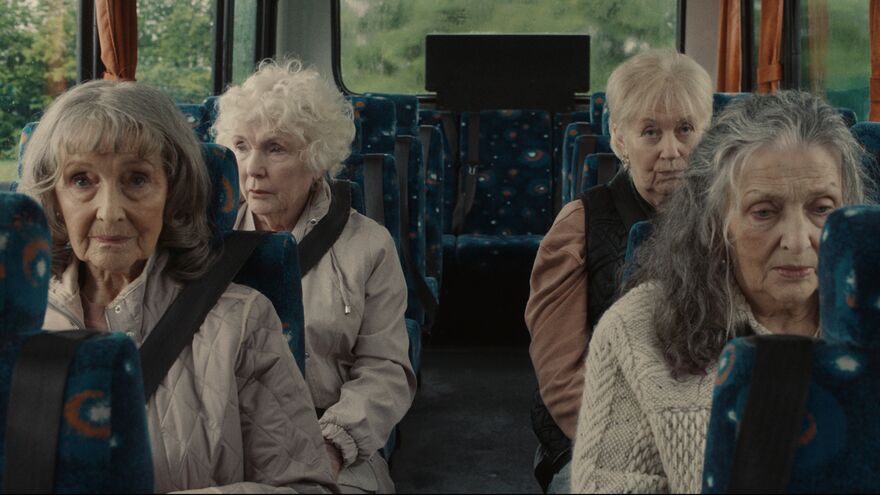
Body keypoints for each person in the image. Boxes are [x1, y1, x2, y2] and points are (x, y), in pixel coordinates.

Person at [20, 79, 337, 494]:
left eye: (136, 180)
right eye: (82, 180)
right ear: (54, 197)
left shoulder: (243, 322)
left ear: (173, 192)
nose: (110, 212)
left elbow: (308, 487)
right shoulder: (15, 322)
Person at [571, 90, 872, 493]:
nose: (799, 241)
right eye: (764, 212)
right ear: (715, 222)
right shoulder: (638, 330)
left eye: (822, 209)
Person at [213, 59, 417, 494]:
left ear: (316, 159)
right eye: (241, 146)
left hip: (334, 443)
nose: (252, 167)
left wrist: (331, 444)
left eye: (275, 148)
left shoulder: (368, 246)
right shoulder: (206, 244)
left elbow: (385, 369)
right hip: (225, 445)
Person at [524, 48, 713, 492]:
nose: (672, 151)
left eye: (685, 129)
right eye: (651, 132)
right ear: (620, 140)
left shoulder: (732, 221)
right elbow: (561, 377)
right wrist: (652, 450)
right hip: (597, 434)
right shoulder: (580, 226)